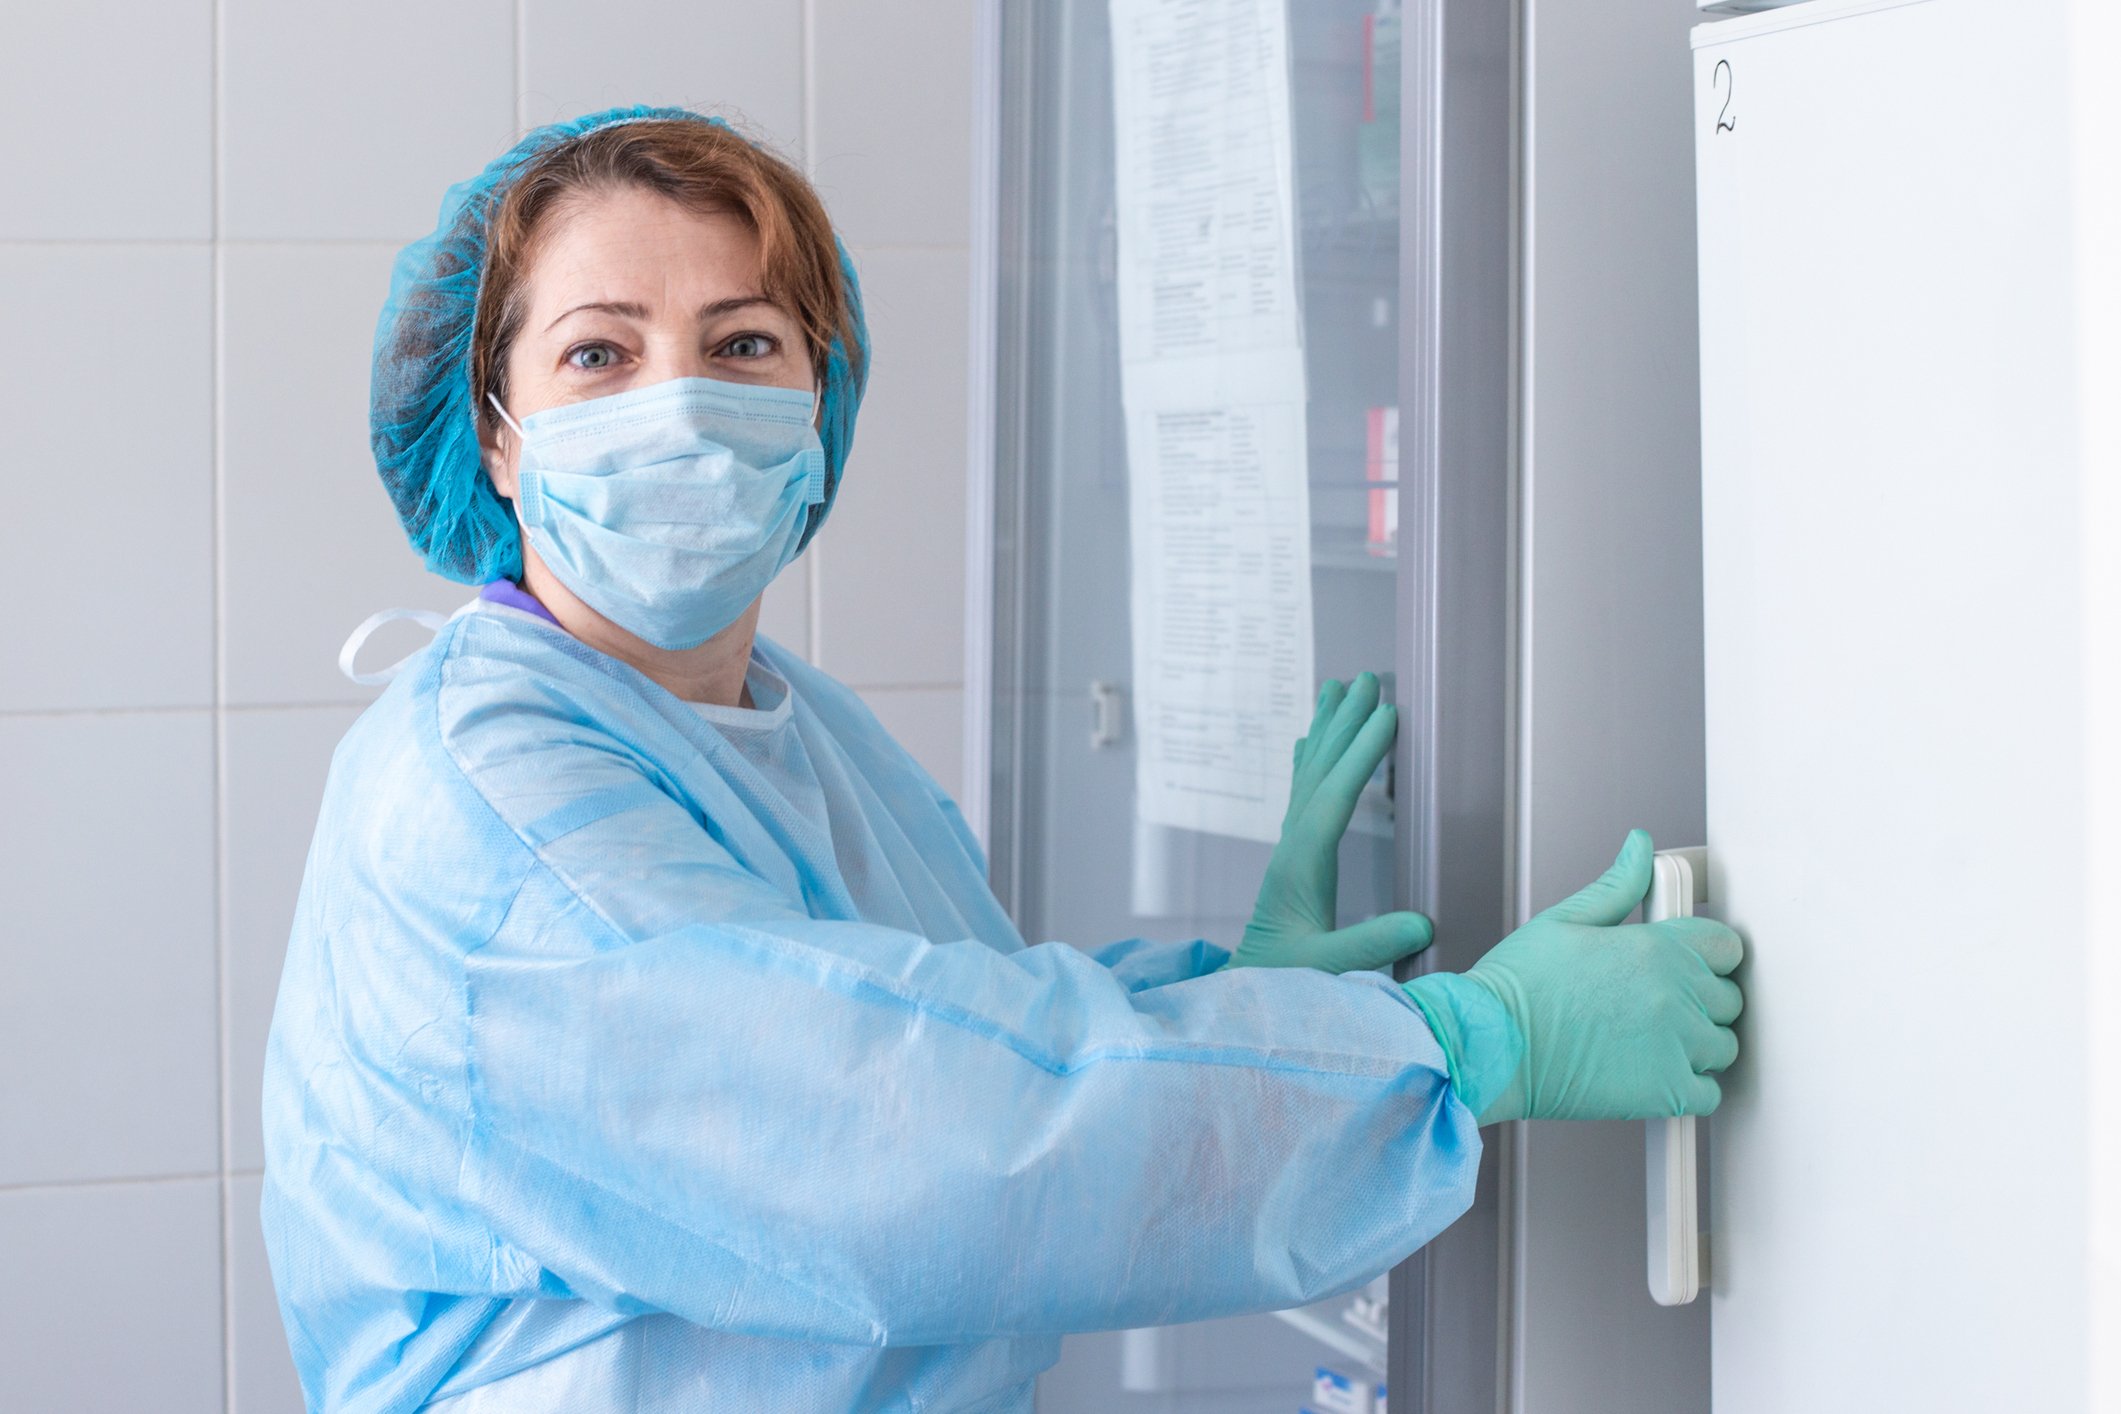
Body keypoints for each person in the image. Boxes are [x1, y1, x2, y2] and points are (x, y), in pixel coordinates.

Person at [261, 106, 1742, 1414]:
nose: (681, 406)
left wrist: (1247, 998)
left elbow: (957, 1023)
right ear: (500, 437)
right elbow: (925, 1142)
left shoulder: (800, 726)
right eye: (599, 353)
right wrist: (1461, 1048)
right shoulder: (484, 791)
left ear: (815, 408)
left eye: (741, 345)